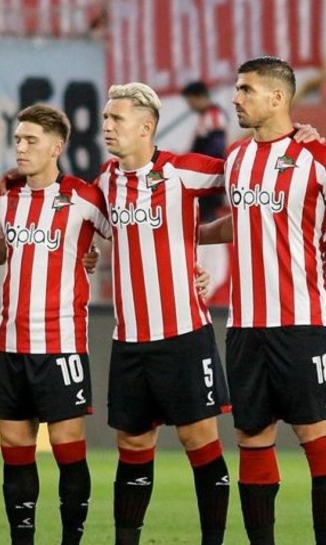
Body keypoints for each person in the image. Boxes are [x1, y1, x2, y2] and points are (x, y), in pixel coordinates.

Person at [197, 57, 326, 545]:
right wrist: (192, 236)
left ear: (277, 98)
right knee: (252, 439)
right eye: (237, 88)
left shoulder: (319, 158)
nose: (235, 98)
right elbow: (243, 222)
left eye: (246, 90)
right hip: (244, 327)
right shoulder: (235, 158)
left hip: (301, 325)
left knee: (316, 437)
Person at [96, 82, 231, 545]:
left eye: (116, 118)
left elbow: (251, 177)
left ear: (146, 127)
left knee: (199, 440)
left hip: (183, 335)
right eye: (106, 117)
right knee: (132, 444)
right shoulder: (105, 180)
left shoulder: (184, 172)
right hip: (129, 340)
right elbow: (82, 225)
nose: (107, 126)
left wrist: (300, 138)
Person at [0, 104, 108, 545]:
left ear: (56, 147)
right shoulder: (6, 200)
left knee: (68, 448)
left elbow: (127, 238)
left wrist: (93, 256)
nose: (21, 148)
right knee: (14, 449)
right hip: (10, 344)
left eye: (31, 140)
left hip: (61, 344)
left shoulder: (85, 199)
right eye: (18, 140)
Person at [182, 81, 227, 220]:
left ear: (200, 97)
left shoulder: (214, 116)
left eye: (191, 102)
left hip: (209, 176)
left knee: (209, 218)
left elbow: (216, 150)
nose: (190, 106)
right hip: (205, 175)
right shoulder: (206, 117)